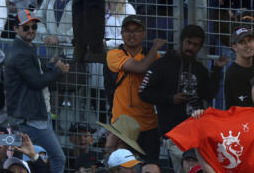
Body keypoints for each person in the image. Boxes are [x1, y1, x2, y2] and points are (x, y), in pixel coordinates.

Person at [139, 24, 227, 166]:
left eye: (195, 45)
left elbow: (208, 94)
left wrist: (217, 70)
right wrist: (170, 99)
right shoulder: (162, 65)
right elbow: (143, 93)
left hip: (196, 133)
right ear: (181, 41)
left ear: (200, 47)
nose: (191, 48)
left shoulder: (200, 70)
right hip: (172, 133)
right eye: (188, 42)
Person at [3, 9, 69, 173]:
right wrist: (58, 72)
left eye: (34, 27)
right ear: (15, 29)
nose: (31, 30)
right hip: (31, 119)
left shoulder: (22, 48)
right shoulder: (20, 52)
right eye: (26, 27)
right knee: (58, 158)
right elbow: (36, 82)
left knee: (27, 160)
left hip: (28, 116)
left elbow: (32, 76)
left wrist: (50, 67)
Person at [104, 15, 165, 159]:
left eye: (136, 30)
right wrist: (155, 47)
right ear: (121, 33)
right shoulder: (114, 54)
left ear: (144, 33)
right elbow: (140, 67)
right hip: (122, 126)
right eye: (127, 31)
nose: (132, 34)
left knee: (150, 166)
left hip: (149, 125)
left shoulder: (154, 57)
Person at [225, 26, 254, 107]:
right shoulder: (234, 73)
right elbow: (245, 106)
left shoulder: (251, 66)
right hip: (240, 117)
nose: (248, 45)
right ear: (234, 47)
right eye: (242, 42)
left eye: (250, 40)